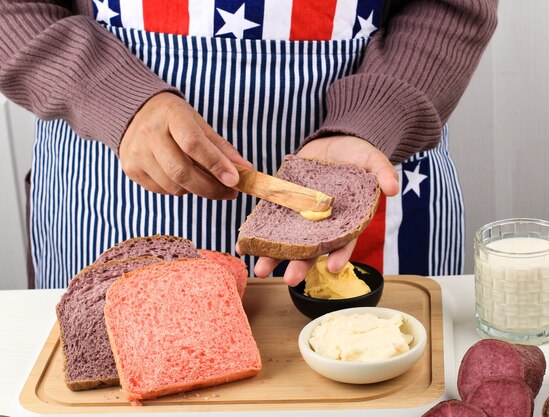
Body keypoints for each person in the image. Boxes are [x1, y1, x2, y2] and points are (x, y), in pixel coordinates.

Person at [0, 0, 498, 289]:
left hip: (372, 171)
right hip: (112, 183)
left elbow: (449, 9)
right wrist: (108, 94)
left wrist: (373, 120)